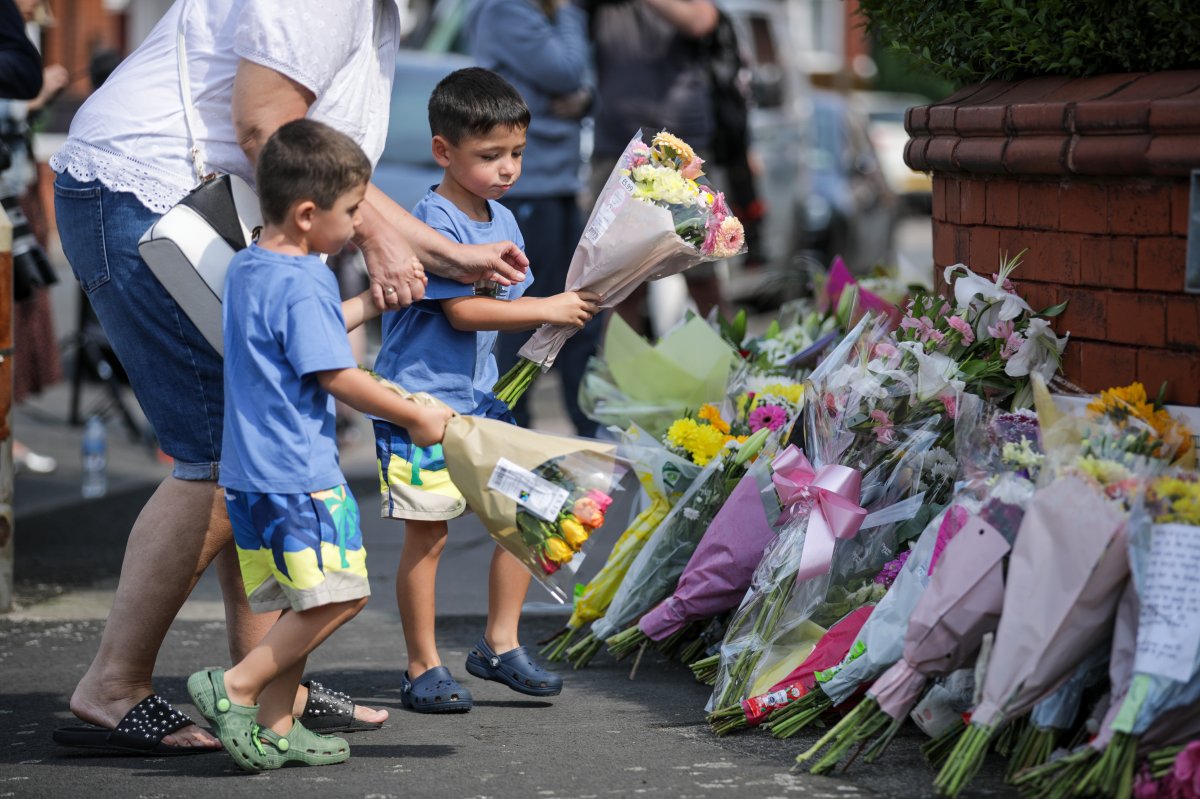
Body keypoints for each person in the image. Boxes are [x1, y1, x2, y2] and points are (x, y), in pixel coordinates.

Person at [49, 0, 527, 755]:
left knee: (239, 465)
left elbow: (330, 172)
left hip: (196, 205)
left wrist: (447, 253)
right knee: (214, 456)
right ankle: (116, 683)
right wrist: (384, 253)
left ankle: (273, 688)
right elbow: (268, 126)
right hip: (147, 195)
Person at [187, 119, 453, 772]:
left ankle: (278, 727)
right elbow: (335, 374)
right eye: (354, 211)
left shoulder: (253, 264)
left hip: (252, 475)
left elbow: (302, 335)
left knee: (303, 601)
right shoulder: (309, 279)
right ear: (309, 214)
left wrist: (369, 300)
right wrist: (414, 413)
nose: (360, 224)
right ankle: (239, 686)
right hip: (299, 473)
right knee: (342, 594)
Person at [372, 68, 597, 712]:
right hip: (420, 406)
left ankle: (499, 645)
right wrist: (550, 310)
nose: (507, 169)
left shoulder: (503, 218)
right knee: (429, 532)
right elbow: (462, 312)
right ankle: (422, 666)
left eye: (517, 154)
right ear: (444, 152)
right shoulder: (432, 218)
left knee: (526, 518)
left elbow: (507, 303)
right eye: (490, 155)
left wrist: (554, 315)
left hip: (479, 401)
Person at [465, 0, 602, 435]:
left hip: (556, 181)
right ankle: (508, 427)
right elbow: (568, 69)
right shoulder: (505, 7)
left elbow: (588, 85)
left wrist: (583, 99)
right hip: (528, 187)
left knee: (577, 310)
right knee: (520, 316)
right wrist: (569, 12)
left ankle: (586, 428)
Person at [585, 0, 726, 333]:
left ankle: (732, 368)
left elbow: (702, 20)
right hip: (617, 145)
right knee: (620, 283)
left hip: (681, 146)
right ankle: (621, 381)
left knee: (702, 271)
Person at [2, 0, 67, 474]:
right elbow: (14, 97)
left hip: (14, 195)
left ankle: (8, 433)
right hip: (6, 201)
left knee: (16, 321)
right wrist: (37, 95)